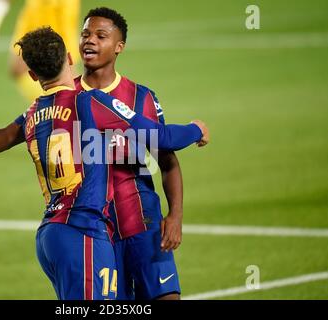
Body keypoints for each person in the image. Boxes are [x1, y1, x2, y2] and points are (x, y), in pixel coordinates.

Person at [0, 27, 209, 299]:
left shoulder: (34, 111)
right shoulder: (89, 101)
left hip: (50, 235)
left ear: (33, 76)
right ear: (70, 59)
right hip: (82, 230)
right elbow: (160, 136)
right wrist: (196, 129)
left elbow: (5, 136)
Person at [76, 7, 192, 300]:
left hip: (142, 222)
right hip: (94, 232)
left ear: (119, 47)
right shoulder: (67, 98)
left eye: (101, 36)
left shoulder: (142, 98)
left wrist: (175, 215)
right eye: (85, 34)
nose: (90, 41)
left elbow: (167, 162)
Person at [0, 0, 81, 102]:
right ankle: (65, 110)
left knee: (60, 67)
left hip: (51, 6)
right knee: (22, 66)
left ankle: (67, 111)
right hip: (42, 6)